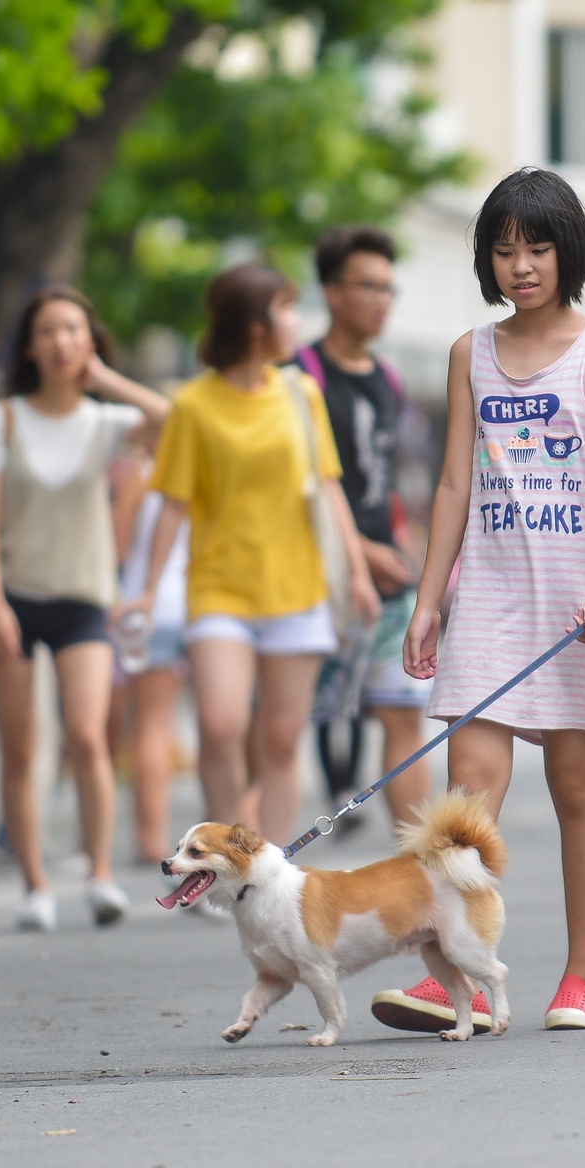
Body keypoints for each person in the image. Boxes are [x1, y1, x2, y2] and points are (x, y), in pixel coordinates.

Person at [376, 167, 585, 1036]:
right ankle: (449, 974)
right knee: (469, 789)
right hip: (490, 595)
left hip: (575, 597)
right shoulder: (471, 351)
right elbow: (454, 483)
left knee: (576, 785)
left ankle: (582, 978)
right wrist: (430, 599)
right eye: (503, 250)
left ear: (568, 251)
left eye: (537, 247)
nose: (521, 265)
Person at [135, 264, 380, 849]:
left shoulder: (300, 393)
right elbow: (173, 505)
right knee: (220, 726)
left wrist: (358, 572)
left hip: (297, 590)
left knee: (280, 739)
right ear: (253, 324)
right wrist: (146, 589)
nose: (297, 321)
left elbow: (328, 488)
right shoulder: (193, 404)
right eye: (286, 308)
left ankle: (270, 868)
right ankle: (225, 856)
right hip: (218, 590)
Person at [0, 285, 172, 929]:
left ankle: (100, 874)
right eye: (48, 331)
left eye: (74, 330)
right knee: (21, 746)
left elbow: (174, 422)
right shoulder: (1, 418)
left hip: (83, 598)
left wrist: (105, 379)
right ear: (29, 346)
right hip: (11, 597)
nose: (61, 342)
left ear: (90, 340)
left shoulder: (105, 422)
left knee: (88, 736)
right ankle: (34, 885)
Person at [300, 225, 433, 828]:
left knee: (403, 715)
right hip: (314, 578)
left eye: (388, 288)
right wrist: (360, 551)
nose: (382, 300)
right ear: (332, 292)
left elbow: (386, 476)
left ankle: (419, 865)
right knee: (284, 724)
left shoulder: (388, 378)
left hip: (387, 574)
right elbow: (299, 490)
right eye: (368, 286)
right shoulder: (299, 375)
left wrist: (398, 544)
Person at [112, 456, 189, 865]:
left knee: (151, 725)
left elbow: (118, 545)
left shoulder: (141, 474)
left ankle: (151, 838)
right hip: (203, 605)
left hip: (150, 607)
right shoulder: (201, 465)